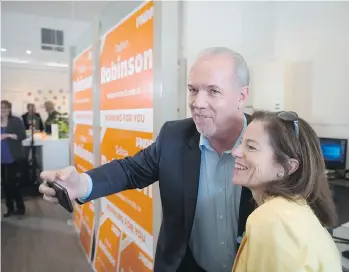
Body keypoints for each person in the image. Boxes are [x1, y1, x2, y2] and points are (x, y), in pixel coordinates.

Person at [39, 47, 254, 271]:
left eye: (213, 91)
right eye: (193, 90)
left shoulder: (274, 142)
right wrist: (81, 184)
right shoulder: (175, 136)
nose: (198, 103)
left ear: (242, 96)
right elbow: (130, 170)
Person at [231, 110, 342, 272]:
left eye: (251, 147)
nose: (235, 152)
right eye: (241, 143)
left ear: (287, 167)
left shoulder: (272, 219)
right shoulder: (295, 210)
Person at [1, 100, 27, 217]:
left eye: (5, 108)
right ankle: (9, 208)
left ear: (9, 109)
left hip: (13, 157)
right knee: (5, 184)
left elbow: (22, 136)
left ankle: (20, 207)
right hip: (1, 158)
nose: (2, 110)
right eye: (1, 108)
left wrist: (8, 135)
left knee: (12, 184)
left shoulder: (16, 121)